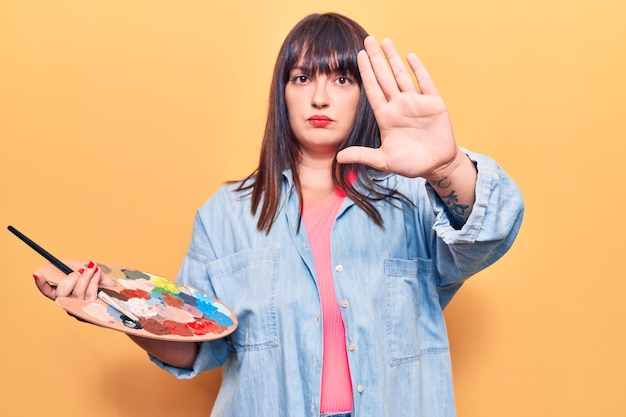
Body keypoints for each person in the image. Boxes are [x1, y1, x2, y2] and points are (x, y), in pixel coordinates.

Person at [33, 12, 524, 417]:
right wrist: (113, 311)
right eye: (302, 76)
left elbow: (490, 231)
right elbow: (199, 347)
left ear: (365, 94)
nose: (320, 96)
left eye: (342, 78)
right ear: (282, 91)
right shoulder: (224, 216)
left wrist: (446, 164)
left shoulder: (414, 199)